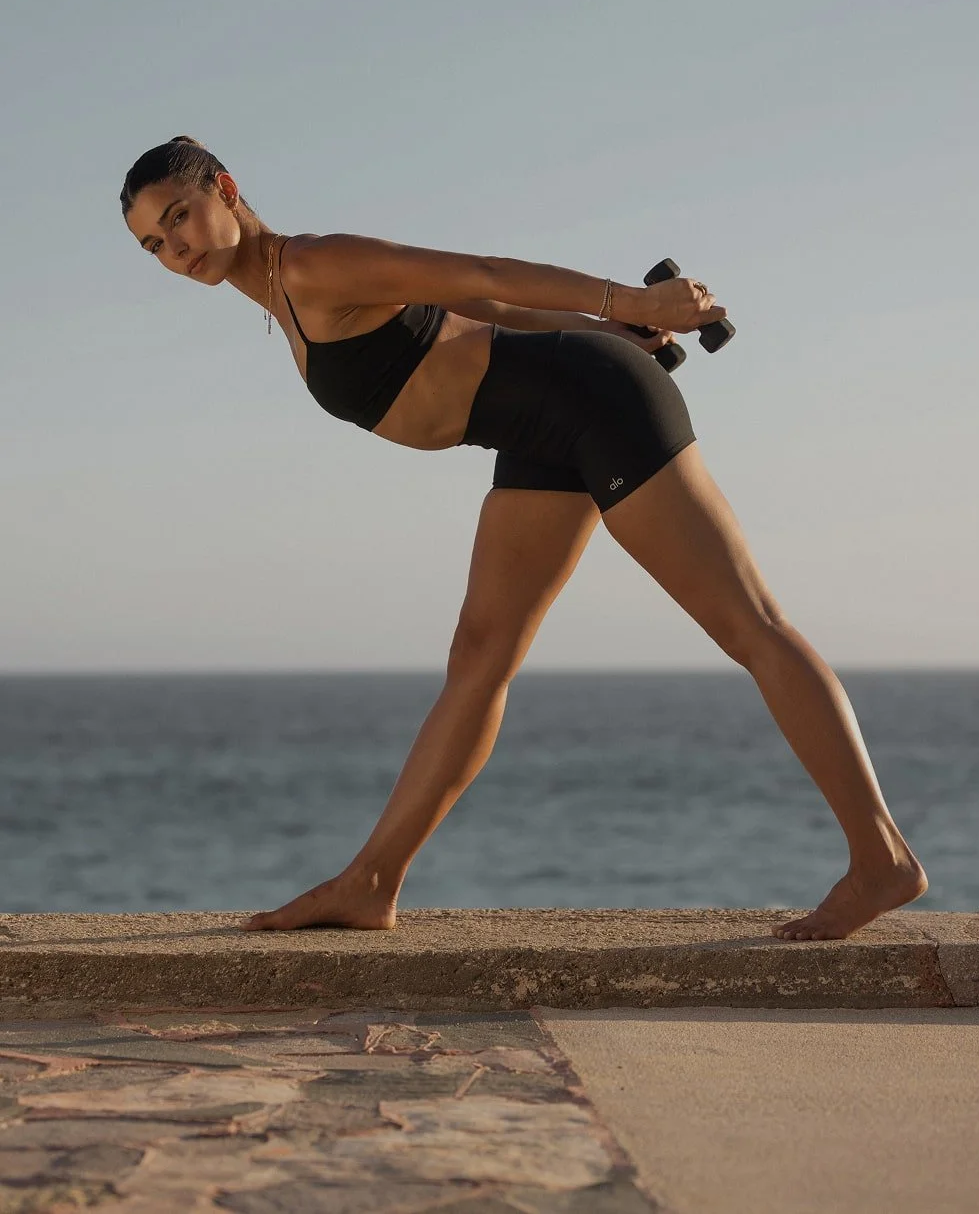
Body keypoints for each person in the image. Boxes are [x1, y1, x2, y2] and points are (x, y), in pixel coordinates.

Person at [120, 135, 927, 941]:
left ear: (225, 189)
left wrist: (633, 308)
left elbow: (482, 274)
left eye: (179, 216)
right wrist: (604, 324)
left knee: (751, 624)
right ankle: (371, 882)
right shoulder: (284, 300)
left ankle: (881, 856)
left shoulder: (313, 265)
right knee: (480, 657)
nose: (175, 247)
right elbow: (492, 313)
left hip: (591, 403)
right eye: (154, 242)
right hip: (542, 425)